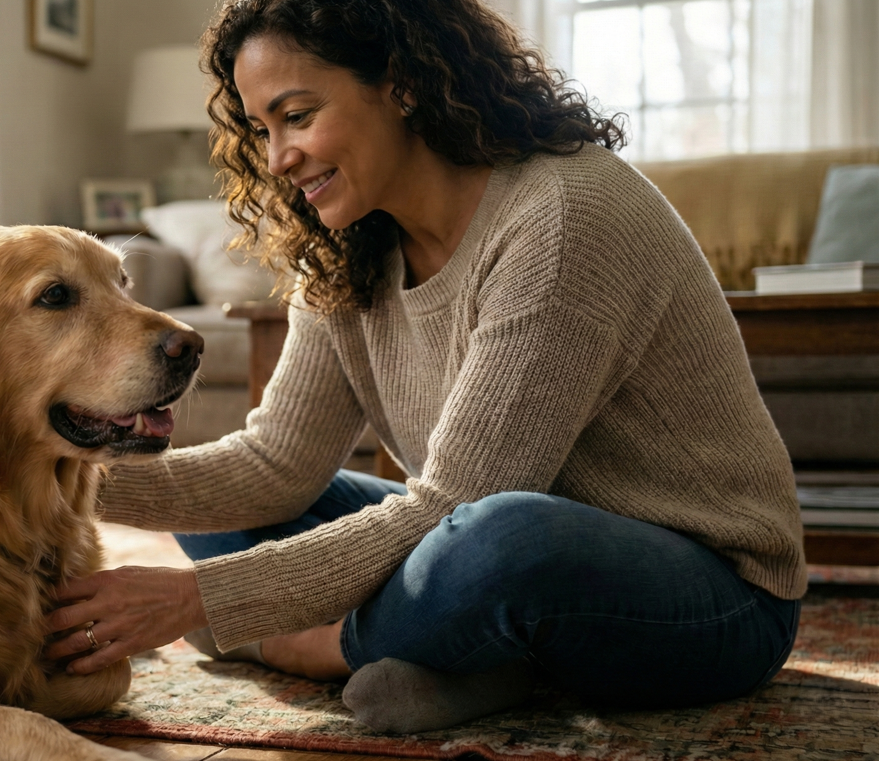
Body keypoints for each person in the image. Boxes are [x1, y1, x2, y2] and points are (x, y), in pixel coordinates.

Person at [45, 0, 804, 732]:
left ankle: (314, 645)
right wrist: (46, 466)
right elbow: (277, 464)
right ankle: (473, 660)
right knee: (228, 516)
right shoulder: (342, 248)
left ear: (403, 82)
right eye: (262, 129)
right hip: (471, 528)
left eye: (298, 116)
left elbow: (458, 502)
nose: (278, 159)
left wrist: (198, 602)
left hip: (716, 592)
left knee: (505, 538)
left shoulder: (563, 212)